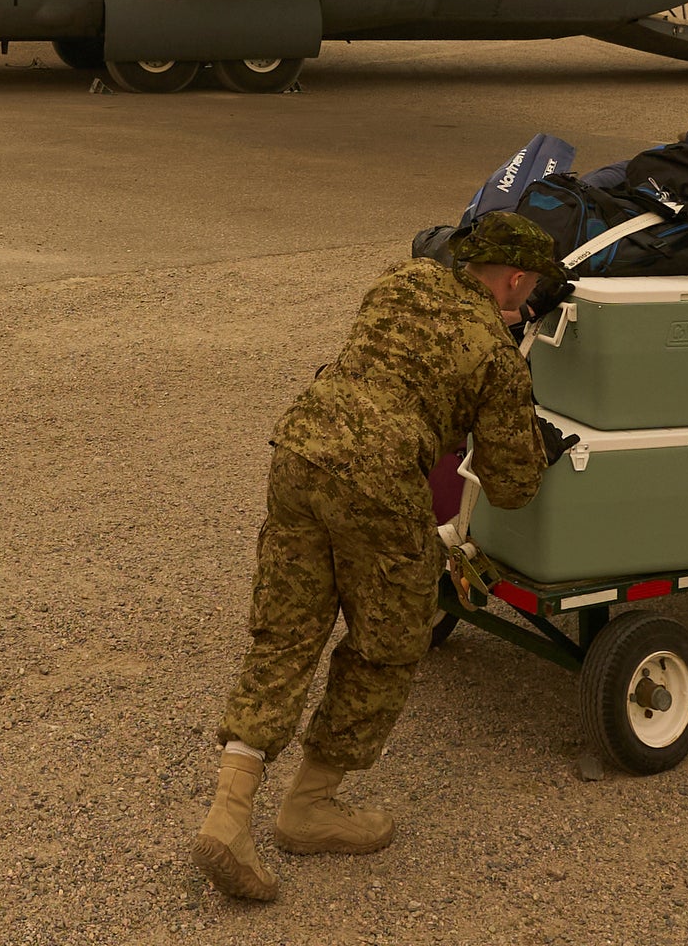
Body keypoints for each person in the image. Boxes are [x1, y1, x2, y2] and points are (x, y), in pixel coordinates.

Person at [191, 211, 563, 903]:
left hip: (301, 452)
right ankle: (309, 809)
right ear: (515, 281)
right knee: (388, 641)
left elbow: (412, 357)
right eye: (528, 284)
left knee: (286, 634)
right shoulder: (494, 352)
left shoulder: (400, 280)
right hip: (379, 480)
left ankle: (229, 813)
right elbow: (512, 488)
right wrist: (530, 427)